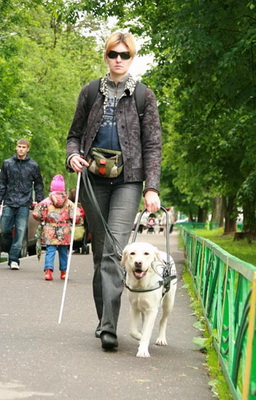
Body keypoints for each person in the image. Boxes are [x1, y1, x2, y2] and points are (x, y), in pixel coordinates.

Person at [66, 31, 162, 350]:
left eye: (124, 55)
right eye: (112, 54)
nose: (118, 60)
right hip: (93, 181)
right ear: (105, 56)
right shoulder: (90, 91)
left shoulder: (143, 96)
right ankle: (103, 318)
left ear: (132, 58)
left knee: (114, 250)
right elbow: (74, 136)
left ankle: (109, 328)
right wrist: (73, 156)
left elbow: (152, 145)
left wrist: (152, 188)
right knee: (99, 254)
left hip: (128, 182)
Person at [0, 138, 44, 270]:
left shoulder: (33, 166)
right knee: (5, 231)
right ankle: (8, 249)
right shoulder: (7, 164)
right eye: (19, 146)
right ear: (16, 147)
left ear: (27, 149)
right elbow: (2, 183)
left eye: (23, 147)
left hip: (24, 203)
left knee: (20, 231)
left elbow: (39, 184)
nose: (21, 149)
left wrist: (40, 202)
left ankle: (14, 259)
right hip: (9, 201)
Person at [32, 174, 82, 281]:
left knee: (50, 251)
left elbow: (36, 214)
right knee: (63, 252)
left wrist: (42, 218)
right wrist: (75, 220)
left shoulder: (46, 202)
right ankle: (63, 272)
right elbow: (77, 216)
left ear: (52, 187)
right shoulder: (68, 203)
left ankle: (48, 272)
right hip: (64, 231)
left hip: (50, 230)